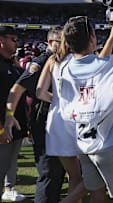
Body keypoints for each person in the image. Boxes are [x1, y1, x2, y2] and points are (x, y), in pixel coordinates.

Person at [36, 15, 113, 203]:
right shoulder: (111, 63)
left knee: (96, 192)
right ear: (92, 38)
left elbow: (95, 62)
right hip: (109, 142)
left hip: (83, 140)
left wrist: (111, 38)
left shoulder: (61, 66)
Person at [3, 26, 66, 203]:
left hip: (56, 121)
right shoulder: (42, 61)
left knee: (58, 170)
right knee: (48, 170)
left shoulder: (61, 60)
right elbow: (16, 89)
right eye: (63, 42)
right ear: (52, 43)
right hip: (43, 120)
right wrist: (9, 115)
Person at [0, 26, 28, 202]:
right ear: (1, 40)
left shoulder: (13, 64)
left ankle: (9, 188)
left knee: (11, 160)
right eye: (13, 39)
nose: (16, 43)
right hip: (3, 124)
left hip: (17, 123)